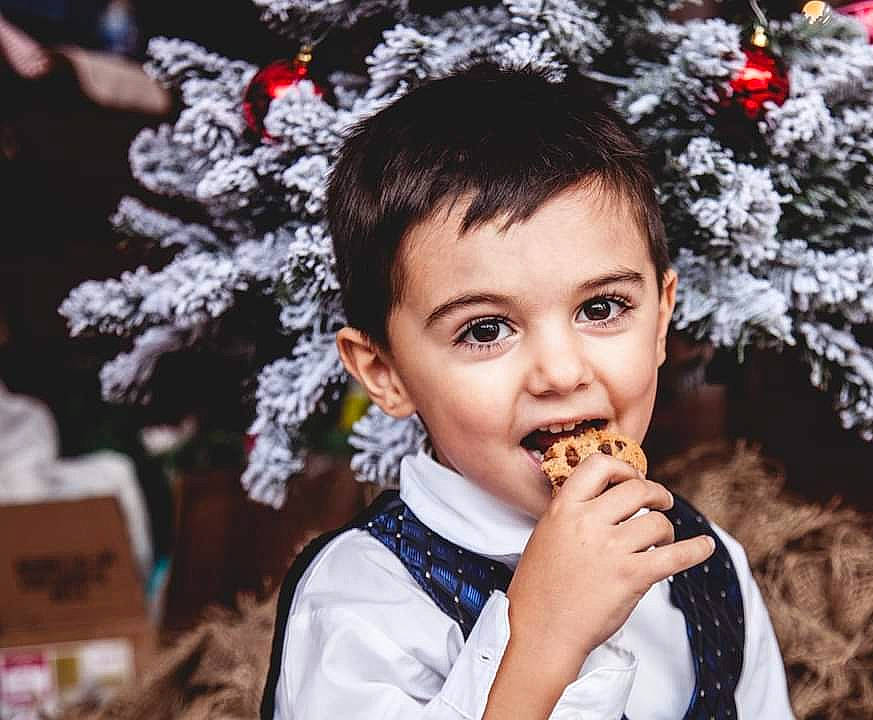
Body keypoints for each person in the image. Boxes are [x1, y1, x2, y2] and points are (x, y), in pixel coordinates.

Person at [262, 61, 794, 720]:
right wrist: (542, 643)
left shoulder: (708, 565)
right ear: (385, 373)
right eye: (486, 329)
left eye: (601, 308)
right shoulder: (361, 605)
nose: (562, 373)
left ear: (661, 320)